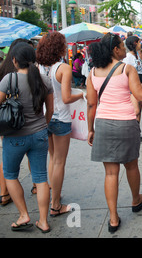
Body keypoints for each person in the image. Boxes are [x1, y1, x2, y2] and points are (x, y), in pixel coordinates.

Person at [86, 33, 142, 233]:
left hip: (102, 123)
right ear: (115, 50)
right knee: (131, 166)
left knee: (110, 172)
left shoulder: (93, 72)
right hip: (125, 123)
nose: (123, 48)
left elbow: (92, 104)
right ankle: (136, 200)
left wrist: (90, 129)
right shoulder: (126, 69)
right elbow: (141, 97)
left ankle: (113, 219)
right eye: (121, 45)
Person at [0, 42, 54, 233]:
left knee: (10, 175)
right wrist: (43, 126)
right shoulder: (44, 80)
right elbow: (50, 111)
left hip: (14, 136)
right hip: (39, 134)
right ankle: (43, 221)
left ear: (14, 60)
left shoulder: (9, 80)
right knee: (40, 178)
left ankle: (23, 215)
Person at [36, 32, 84, 218]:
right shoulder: (63, 67)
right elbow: (66, 97)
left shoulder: (37, 67)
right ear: (59, 47)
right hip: (60, 118)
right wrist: (81, 94)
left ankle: (53, 194)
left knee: (53, 158)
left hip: (44, 117)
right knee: (59, 161)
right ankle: (56, 205)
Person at [0, 38, 32, 205]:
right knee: (28, 157)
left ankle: (4, 193)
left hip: (6, 121)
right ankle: (35, 185)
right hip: (23, 122)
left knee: (6, 158)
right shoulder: (28, 73)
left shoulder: (3, 70)